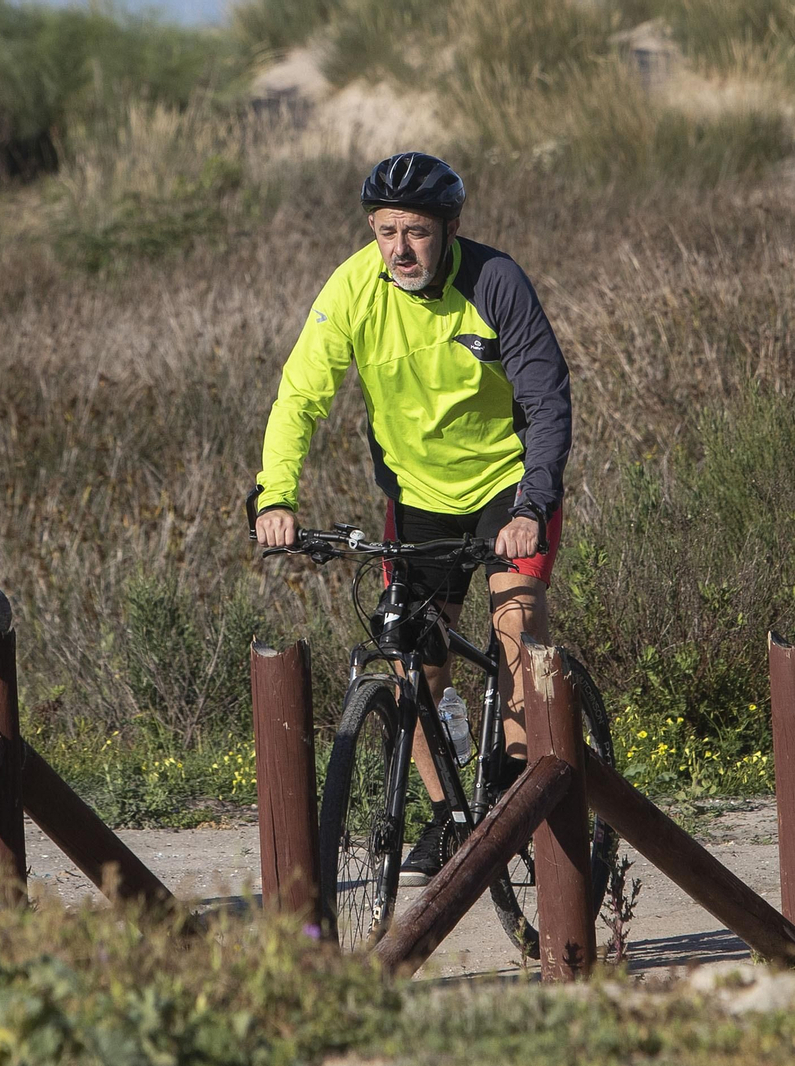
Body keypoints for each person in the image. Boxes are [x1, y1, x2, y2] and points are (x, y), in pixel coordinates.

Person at [251, 152, 571, 885]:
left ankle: (518, 795)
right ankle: (448, 816)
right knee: (411, 670)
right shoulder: (355, 286)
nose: (399, 249)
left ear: (450, 229)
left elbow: (548, 401)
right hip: (416, 499)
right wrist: (276, 496)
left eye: (417, 232)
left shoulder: (495, 282)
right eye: (386, 230)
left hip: (506, 488)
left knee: (516, 624)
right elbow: (301, 394)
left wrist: (532, 506)